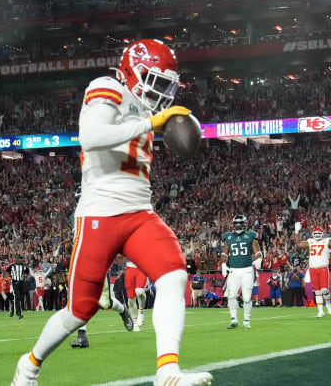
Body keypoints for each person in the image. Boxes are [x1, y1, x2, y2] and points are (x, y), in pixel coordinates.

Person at [11, 39, 212, 386]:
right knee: (79, 311)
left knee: (174, 275)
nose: (161, 93)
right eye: (157, 81)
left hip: (139, 213)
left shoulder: (149, 112)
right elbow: (91, 135)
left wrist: (157, 122)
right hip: (99, 214)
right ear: (134, 71)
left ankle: (167, 371)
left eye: (167, 86)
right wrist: (154, 123)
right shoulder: (107, 87)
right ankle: (28, 367)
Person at [220, 214, 262, 329]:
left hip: (247, 270)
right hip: (233, 271)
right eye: (236, 224)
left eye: (240, 224)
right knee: (231, 295)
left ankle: (247, 320)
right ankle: (234, 319)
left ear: (244, 224)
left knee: (247, 297)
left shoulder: (251, 236)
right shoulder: (228, 237)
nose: (238, 226)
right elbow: (224, 253)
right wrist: (223, 264)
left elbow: (257, 251)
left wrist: (259, 259)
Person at [70, 274, 134, 348]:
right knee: (82, 300)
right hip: (84, 270)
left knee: (106, 303)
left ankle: (123, 310)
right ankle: (81, 335)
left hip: (100, 269)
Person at [294, 226, 331, 317]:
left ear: (322, 234)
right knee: (317, 291)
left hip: (323, 268)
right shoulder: (311, 241)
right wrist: (297, 231)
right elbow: (298, 243)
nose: (317, 235)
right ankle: (320, 311)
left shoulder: (326, 241)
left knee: (324, 290)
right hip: (313, 269)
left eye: (319, 233)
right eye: (316, 234)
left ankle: (328, 304)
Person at [125, 260, 148, 331]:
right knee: (131, 299)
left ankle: (141, 311)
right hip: (130, 268)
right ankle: (134, 322)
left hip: (142, 268)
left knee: (139, 291)